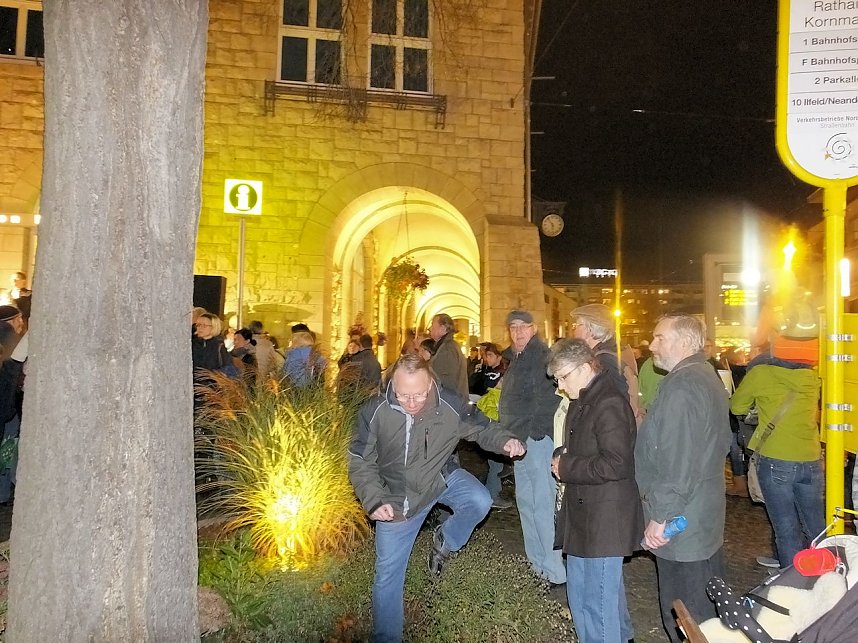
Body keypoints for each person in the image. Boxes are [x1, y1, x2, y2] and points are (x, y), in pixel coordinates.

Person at [348, 354, 526, 643]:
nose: (412, 402)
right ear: (393, 383)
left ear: (431, 381)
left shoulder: (450, 404)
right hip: (397, 499)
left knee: (479, 500)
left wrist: (505, 440)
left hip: (440, 479)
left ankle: (446, 540)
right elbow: (359, 460)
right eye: (404, 395)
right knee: (387, 577)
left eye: (419, 393)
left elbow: (483, 427)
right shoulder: (375, 410)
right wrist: (374, 500)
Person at [635, 313, 732, 641]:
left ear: (685, 343)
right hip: (700, 514)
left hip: (683, 522)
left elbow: (678, 461)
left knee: (686, 616)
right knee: (704, 609)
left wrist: (660, 516)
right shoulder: (703, 375)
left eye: (660, 338)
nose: (652, 345)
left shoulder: (683, 386)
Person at [548, 339, 642, 643]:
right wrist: (565, 454)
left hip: (604, 519)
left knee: (597, 606)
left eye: (564, 377)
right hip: (583, 516)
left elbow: (616, 464)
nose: (560, 386)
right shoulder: (584, 398)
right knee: (579, 599)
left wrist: (566, 466)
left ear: (586, 366)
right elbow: (587, 444)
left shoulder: (609, 401)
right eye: (557, 379)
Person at [730, 358, 822, 568]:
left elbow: (736, 406)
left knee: (786, 528)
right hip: (811, 458)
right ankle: (826, 576)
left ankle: (792, 581)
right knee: (816, 525)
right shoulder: (812, 375)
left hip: (776, 457)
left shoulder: (761, 373)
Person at [498, 309, 566, 585]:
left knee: (542, 504)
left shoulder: (541, 356)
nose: (518, 332)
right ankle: (536, 564)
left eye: (523, 327)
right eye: (513, 328)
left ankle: (553, 569)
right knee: (526, 502)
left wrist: (535, 433)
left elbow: (551, 397)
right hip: (519, 441)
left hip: (534, 441)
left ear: (534, 328)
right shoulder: (517, 357)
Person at [572, 303, 643, 423]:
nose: (573, 330)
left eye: (577, 325)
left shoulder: (604, 361)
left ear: (589, 330)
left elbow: (615, 410)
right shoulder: (611, 354)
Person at [428, 312, 468, 398]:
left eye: (432, 325)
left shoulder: (447, 349)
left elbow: (447, 380)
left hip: (449, 401)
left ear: (442, 328)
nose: (430, 328)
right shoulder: (446, 346)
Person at [336, 333, 382, 402]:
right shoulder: (376, 362)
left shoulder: (354, 362)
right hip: (370, 401)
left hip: (354, 402)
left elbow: (345, 385)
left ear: (360, 346)